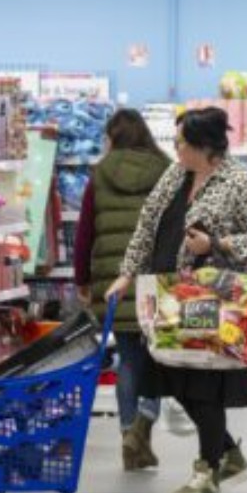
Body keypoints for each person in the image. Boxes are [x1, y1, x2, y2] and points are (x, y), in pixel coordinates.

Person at [107, 107, 247, 493]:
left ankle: (208, 471)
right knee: (168, 377)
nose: (175, 148)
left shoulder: (239, 182)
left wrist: (216, 245)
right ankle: (228, 453)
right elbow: (147, 225)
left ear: (204, 147)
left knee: (203, 385)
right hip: (169, 295)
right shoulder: (175, 174)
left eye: (182, 142)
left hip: (214, 302)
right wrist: (126, 274)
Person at [73, 109, 170, 471]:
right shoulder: (166, 171)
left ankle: (129, 431)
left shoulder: (99, 175)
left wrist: (82, 279)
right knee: (157, 357)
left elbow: (85, 234)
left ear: (111, 138)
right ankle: (145, 418)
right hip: (156, 281)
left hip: (114, 280)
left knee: (128, 359)